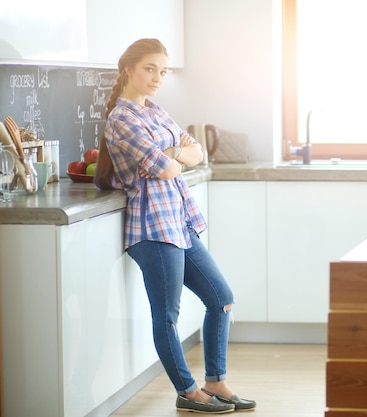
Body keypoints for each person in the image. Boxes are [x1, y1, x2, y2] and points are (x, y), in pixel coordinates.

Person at [95, 38, 255, 414]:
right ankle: (187, 390)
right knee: (167, 316)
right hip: (151, 228)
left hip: (179, 223)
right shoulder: (122, 119)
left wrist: (173, 154)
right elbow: (167, 168)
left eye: (162, 71)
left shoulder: (156, 111)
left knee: (222, 298)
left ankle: (215, 380)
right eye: (150, 68)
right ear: (128, 69)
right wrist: (174, 155)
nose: (157, 78)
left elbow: (194, 152)